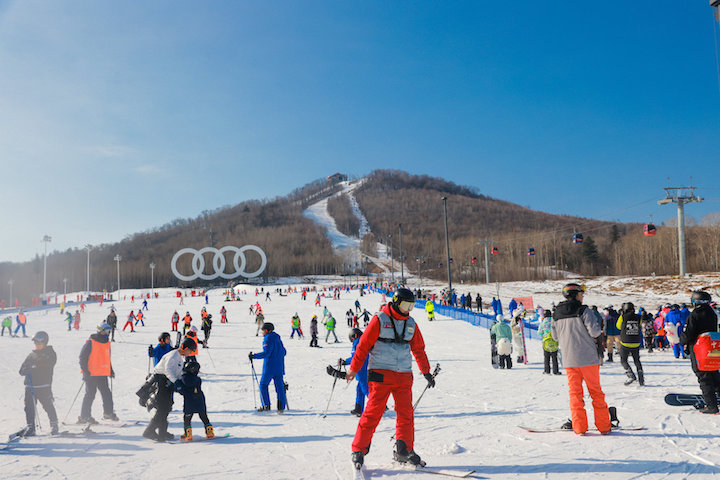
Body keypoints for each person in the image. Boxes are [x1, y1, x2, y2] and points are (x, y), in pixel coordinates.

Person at [346, 288, 434, 469]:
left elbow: (419, 349)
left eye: (411, 306)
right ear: (395, 302)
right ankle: (359, 450)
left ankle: (404, 450)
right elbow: (362, 347)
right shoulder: (379, 319)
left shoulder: (411, 323)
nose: (408, 309)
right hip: (380, 375)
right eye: (405, 305)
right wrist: (353, 369)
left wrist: (426, 372)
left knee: (406, 415)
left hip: (404, 376)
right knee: (372, 414)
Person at [551, 283, 611, 435]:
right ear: (576, 295)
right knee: (596, 392)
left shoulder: (556, 313)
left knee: (575, 394)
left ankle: (579, 427)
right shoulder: (583, 310)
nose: (583, 296)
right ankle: (604, 426)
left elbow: (555, 336)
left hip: (569, 360)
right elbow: (595, 331)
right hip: (588, 358)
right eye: (581, 294)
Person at [141, 338, 194, 441]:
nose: (190, 353)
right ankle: (149, 431)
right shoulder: (173, 355)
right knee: (162, 408)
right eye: (190, 351)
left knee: (167, 407)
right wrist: (176, 382)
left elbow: (177, 373)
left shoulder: (180, 358)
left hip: (167, 383)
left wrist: (182, 383)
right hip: (161, 381)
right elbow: (168, 370)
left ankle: (162, 432)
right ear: (185, 348)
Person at [681, 290, 720, 414]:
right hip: (713, 348)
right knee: (715, 375)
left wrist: (682, 340)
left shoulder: (694, 315)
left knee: (704, 377)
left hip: (699, 350)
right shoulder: (713, 313)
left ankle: (712, 406)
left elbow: (688, 334)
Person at [19, 331, 59, 435]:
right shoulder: (31, 355)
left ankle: (54, 425)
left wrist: (33, 367)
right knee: (29, 407)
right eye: (35, 343)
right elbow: (21, 370)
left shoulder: (50, 354)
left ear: (44, 342)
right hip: (30, 386)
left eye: (38, 343)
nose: (36, 345)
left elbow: (46, 365)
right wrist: (26, 370)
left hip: (43, 385)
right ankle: (31, 427)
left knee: (48, 405)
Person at [78, 323, 118, 424]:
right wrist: (86, 371)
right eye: (106, 331)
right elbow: (82, 358)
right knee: (90, 394)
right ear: (100, 331)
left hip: (102, 373)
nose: (108, 334)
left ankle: (108, 413)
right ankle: (84, 416)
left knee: (107, 394)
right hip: (91, 374)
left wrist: (110, 370)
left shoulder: (106, 343)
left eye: (109, 332)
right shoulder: (91, 342)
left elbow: (106, 358)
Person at [328, 328, 369, 416]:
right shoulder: (364, 340)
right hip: (366, 367)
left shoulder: (357, 342)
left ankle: (381, 405)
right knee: (360, 388)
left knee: (365, 388)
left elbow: (356, 357)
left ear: (354, 336)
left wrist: (345, 362)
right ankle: (358, 408)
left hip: (362, 368)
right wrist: (345, 361)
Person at [249, 322, 287, 412]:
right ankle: (281, 406)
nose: (262, 333)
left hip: (269, 367)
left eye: (262, 331)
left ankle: (266, 405)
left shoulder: (267, 339)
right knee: (280, 387)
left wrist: (254, 356)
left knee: (263, 385)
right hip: (280, 367)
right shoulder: (278, 338)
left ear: (266, 330)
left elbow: (266, 353)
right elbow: (284, 352)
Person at [176, 361, 214, 441]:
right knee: (203, 416)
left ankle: (188, 434)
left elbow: (182, 390)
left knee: (187, 418)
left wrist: (175, 385)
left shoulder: (183, 379)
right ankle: (210, 432)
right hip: (200, 399)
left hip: (189, 401)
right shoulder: (198, 379)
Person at [616, 302, 644, 386]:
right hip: (636, 342)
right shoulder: (639, 317)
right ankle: (641, 378)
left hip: (625, 342)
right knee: (637, 360)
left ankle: (631, 375)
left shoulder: (623, 317)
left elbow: (618, 326)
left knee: (623, 360)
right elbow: (640, 325)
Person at [539, 310, 560, 374]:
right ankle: (555, 371)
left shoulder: (543, 323)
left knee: (546, 357)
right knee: (554, 357)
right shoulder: (554, 321)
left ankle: (547, 370)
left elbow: (539, 332)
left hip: (546, 342)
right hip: (554, 341)